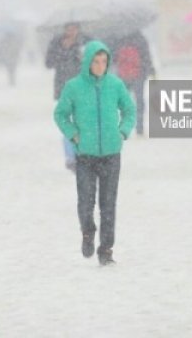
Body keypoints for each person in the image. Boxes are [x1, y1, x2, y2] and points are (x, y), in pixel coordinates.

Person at [54, 40, 136, 266]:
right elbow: (60, 114)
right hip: (85, 155)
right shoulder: (74, 87)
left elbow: (129, 110)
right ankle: (88, 232)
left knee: (108, 204)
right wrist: (73, 134)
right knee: (86, 202)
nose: (100, 66)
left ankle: (106, 250)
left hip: (111, 153)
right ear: (87, 62)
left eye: (104, 61)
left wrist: (123, 132)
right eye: (96, 61)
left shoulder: (116, 85)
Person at [46, 22, 90, 171]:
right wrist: (63, 50)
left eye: (74, 29)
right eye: (68, 29)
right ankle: (71, 157)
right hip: (63, 89)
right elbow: (48, 63)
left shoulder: (87, 42)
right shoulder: (57, 42)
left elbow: (95, 64)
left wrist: (82, 55)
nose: (71, 32)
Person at [110, 30, 155, 136]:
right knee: (139, 100)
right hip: (139, 73)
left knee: (124, 102)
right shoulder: (140, 38)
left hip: (123, 74)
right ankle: (140, 128)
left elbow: (113, 58)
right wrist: (150, 69)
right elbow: (146, 56)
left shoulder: (118, 38)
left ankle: (125, 126)